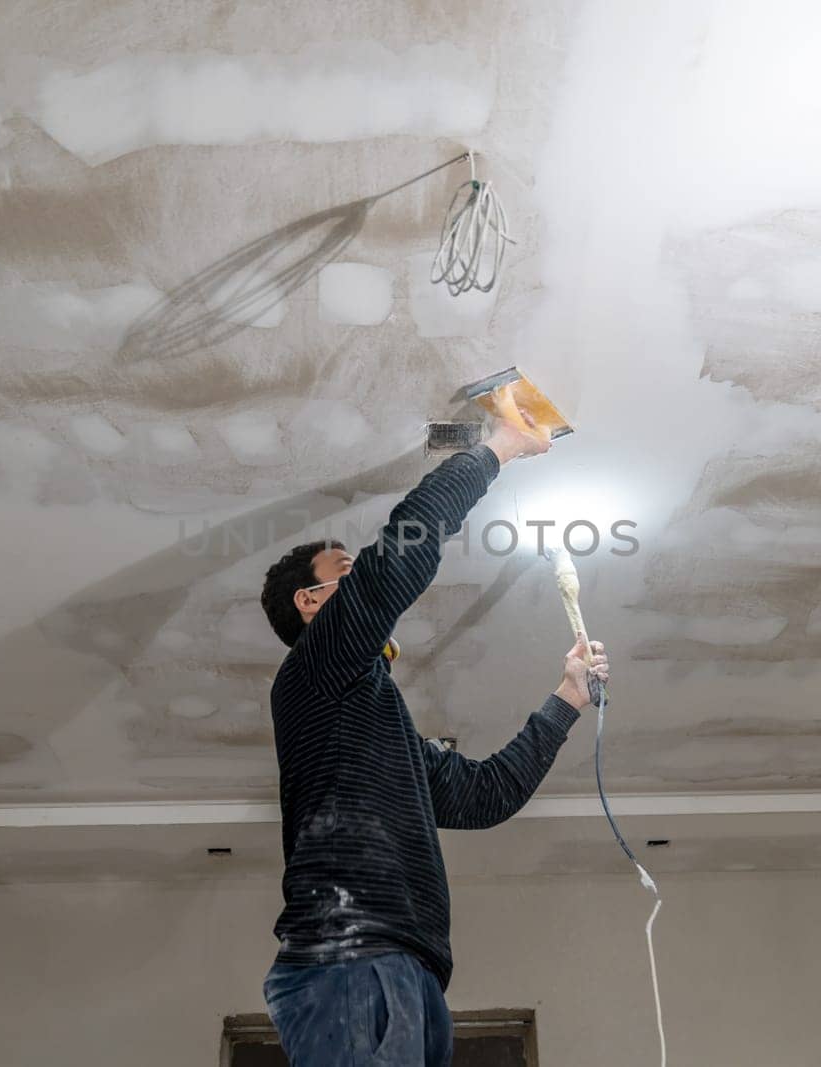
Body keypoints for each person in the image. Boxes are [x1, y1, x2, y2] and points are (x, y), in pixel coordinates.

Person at [257, 397, 608, 1066]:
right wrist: (496, 448)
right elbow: (396, 560)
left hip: (406, 970)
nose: (361, 574)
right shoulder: (313, 671)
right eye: (343, 571)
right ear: (310, 602)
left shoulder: (377, 731)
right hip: (348, 954)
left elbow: (484, 794)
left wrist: (566, 696)